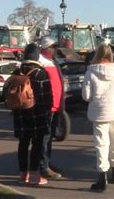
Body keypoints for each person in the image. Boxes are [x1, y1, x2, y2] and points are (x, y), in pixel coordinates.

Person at [82, 44, 114, 192]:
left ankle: (102, 178)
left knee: (102, 144)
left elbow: (86, 96)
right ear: (111, 55)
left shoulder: (91, 72)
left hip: (100, 112)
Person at [11, 43, 53, 185]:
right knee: (37, 144)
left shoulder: (17, 72)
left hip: (20, 114)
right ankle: (35, 175)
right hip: (37, 115)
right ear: (36, 56)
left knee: (23, 143)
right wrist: (47, 112)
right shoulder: (40, 73)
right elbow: (47, 96)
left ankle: (23, 174)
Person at [38, 36, 64, 179]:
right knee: (44, 137)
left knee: (49, 138)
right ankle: (43, 166)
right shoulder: (41, 62)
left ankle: (47, 162)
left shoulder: (53, 62)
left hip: (55, 105)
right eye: (54, 47)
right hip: (47, 106)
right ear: (47, 48)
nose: (56, 49)